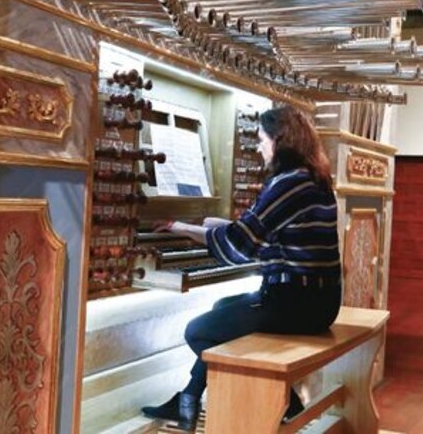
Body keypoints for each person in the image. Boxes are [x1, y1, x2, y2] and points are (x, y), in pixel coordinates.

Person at [141, 105, 342, 432]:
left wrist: (191, 229)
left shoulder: (288, 183)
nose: (258, 147)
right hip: (319, 300)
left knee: (199, 331)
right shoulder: (313, 179)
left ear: (280, 140)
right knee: (222, 308)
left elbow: (241, 244)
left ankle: (283, 401)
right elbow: (267, 235)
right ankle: (189, 400)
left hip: (297, 303)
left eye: (262, 139)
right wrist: (195, 228)